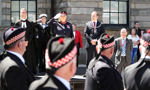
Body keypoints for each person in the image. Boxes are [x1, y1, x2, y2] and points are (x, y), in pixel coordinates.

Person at [14, 8, 37, 74]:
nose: (23, 14)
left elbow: (32, 33)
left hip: (29, 44)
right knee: (21, 58)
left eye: (24, 12)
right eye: (22, 12)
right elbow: (15, 34)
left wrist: (27, 41)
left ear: (26, 13)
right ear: (20, 14)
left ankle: (29, 72)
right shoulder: (17, 23)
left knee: (29, 58)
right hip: (20, 45)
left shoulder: (30, 23)